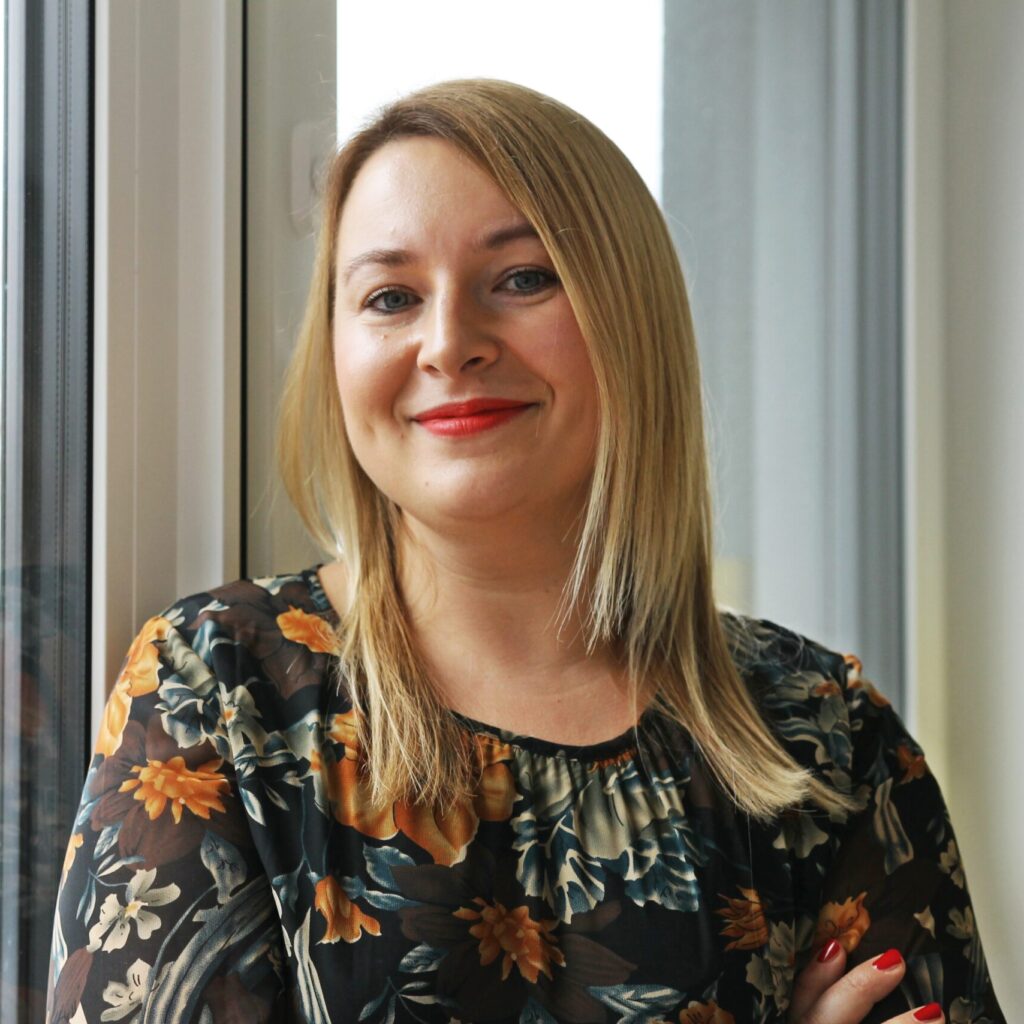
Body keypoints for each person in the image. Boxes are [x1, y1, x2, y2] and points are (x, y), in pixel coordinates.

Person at [45, 78, 1002, 1024]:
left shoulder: (824, 733)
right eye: (390, 296)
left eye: (522, 279)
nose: (449, 343)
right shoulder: (220, 688)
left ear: (631, 316)